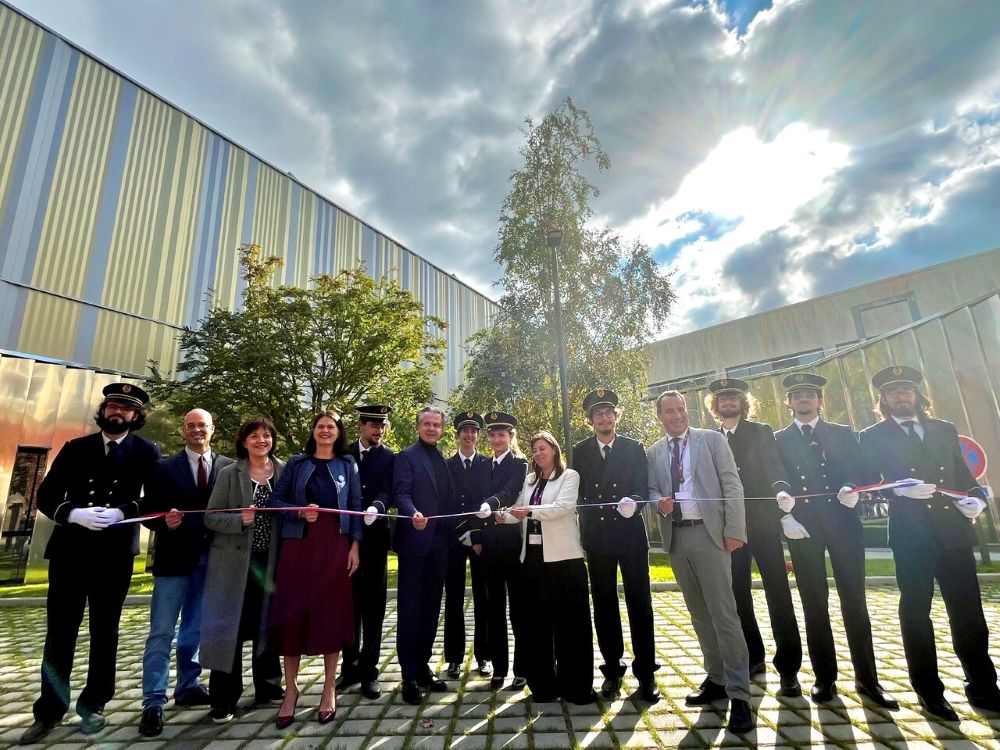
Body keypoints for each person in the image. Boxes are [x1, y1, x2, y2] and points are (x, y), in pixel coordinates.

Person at [21, 383, 161, 745]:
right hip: (70, 551)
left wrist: (122, 511)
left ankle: (94, 704)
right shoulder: (76, 448)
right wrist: (73, 514)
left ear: (136, 415)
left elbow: (156, 500)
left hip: (113, 555)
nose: (118, 412)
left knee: (105, 632)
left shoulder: (147, 452)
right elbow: (47, 494)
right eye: (113, 405)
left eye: (126, 408)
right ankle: (49, 710)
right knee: (60, 634)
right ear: (104, 410)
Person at [859, 365, 1000, 719]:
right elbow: (865, 482)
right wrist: (897, 489)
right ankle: (928, 691)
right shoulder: (873, 435)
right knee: (916, 612)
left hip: (952, 531)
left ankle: (983, 686)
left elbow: (963, 474)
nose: (901, 396)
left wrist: (977, 498)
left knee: (968, 612)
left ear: (917, 396)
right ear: (884, 400)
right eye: (893, 392)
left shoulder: (943, 429)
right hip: (911, 533)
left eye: (906, 390)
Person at [774, 372, 897, 709]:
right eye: (797, 395)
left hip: (844, 523)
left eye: (809, 395)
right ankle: (824, 678)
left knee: (855, 602)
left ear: (820, 400)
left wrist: (854, 488)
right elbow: (774, 478)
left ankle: (868, 680)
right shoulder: (779, 439)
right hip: (805, 527)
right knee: (814, 605)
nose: (803, 400)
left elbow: (868, 472)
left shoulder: (842, 433)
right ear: (789, 402)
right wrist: (783, 513)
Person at [647, 390, 753, 734]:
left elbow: (732, 484)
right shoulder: (655, 452)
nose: (677, 415)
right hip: (678, 538)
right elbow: (650, 490)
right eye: (669, 411)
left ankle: (740, 694)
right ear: (660, 416)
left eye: (681, 409)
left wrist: (735, 529)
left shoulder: (712, 440)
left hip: (712, 536)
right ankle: (717, 679)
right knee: (698, 613)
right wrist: (657, 502)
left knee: (724, 613)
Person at [138, 409, 233, 737]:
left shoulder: (227, 467)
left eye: (202, 425)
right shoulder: (164, 467)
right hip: (173, 561)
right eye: (191, 426)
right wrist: (162, 521)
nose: (197, 430)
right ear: (183, 430)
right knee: (162, 631)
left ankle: (188, 685)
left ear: (212, 429)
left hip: (212, 560)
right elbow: (147, 512)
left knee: (194, 628)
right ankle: (153, 700)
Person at [706, 379, 803, 697]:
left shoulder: (760, 431)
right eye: (722, 398)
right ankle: (753, 657)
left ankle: (788, 669)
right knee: (738, 597)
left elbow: (774, 465)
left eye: (733, 397)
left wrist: (780, 488)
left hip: (762, 525)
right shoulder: (710, 439)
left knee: (778, 594)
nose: (728, 402)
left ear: (742, 402)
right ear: (715, 406)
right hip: (730, 529)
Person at [267, 411, 362, 728]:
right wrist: (298, 513)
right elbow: (275, 503)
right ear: (313, 431)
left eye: (331, 427)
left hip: (334, 546)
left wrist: (355, 545)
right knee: (292, 615)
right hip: (299, 546)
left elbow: (356, 507)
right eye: (320, 426)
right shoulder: (297, 463)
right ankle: (291, 691)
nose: (325, 431)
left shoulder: (347, 464)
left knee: (330, 615)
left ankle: (329, 688)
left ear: (338, 433)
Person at [571, 389, 659, 702]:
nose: (604, 418)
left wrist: (634, 502)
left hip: (631, 535)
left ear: (616, 416)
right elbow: (576, 491)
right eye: (598, 414)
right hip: (598, 537)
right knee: (605, 605)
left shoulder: (634, 447)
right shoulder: (580, 450)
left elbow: (643, 487)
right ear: (590, 420)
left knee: (640, 604)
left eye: (608, 412)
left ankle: (646, 673)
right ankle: (612, 670)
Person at [201, 418, 286, 723]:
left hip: (271, 562)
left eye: (266, 436)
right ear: (244, 441)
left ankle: (268, 685)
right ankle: (224, 697)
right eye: (255, 436)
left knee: (267, 623)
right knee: (230, 629)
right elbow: (210, 517)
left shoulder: (283, 470)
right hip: (234, 564)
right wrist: (239, 520)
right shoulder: (228, 473)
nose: (261, 440)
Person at [502, 431, 596, 704]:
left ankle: (576, 688)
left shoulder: (570, 477)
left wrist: (528, 512)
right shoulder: (530, 480)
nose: (538, 454)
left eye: (543, 448)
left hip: (565, 561)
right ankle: (543, 687)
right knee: (538, 628)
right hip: (533, 562)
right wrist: (500, 516)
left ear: (554, 450)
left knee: (572, 628)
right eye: (534, 450)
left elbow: (562, 508)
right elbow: (517, 510)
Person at [393, 406, 459, 704]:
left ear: (442, 428)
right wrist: (412, 513)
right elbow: (401, 494)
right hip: (415, 544)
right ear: (418, 426)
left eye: (436, 424)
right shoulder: (407, 456)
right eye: (427, 424)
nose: (432, 428)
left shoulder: (441, 458)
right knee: (410, 610)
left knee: (432, 607)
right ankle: (408, 676)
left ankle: (423, 667)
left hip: (440, 545)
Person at [338, 405, 396, 700]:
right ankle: (349, 668)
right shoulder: (343, 453)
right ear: (360, 425)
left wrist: (378, 505)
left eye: (382, 426)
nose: (378, 431)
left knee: (373, 607)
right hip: (345, 540)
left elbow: (389, 489)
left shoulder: (389, 457)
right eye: (373, 425)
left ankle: (370, 671)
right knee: (348, 606)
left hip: (374, 541)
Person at [477, 412, 529, 690]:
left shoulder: (519, 464)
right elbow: (475, 499)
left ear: (511, 437)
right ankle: (499, 667)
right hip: (489, 547)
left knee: (518, 609)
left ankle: (521, 669)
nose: (497, 439)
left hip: (512, 544)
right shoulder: (484, 466)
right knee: (493, 608)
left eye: (502, 434)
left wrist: (492, 502)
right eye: (493, 435)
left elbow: (510, 491)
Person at [444, 411, 491, 680]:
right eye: (465, 430)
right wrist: (463, 533)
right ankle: (453, 658)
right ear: (458, 434)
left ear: (478, 435)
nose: (469, 435)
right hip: (454, 539)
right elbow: (446, 503)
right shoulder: (447, 465)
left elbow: (487, 499)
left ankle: (483, 656)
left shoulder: (487, 464)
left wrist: (477, 536)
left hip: (480, 541)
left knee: (482, 598)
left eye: (474, 430)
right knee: (454, 598)